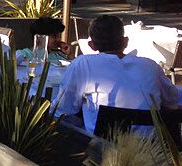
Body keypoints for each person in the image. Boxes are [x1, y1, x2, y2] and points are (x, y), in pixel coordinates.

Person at [53, 15, 182, 134]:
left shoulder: (83, 64)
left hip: (102, 147)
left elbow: (62, 109)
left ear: (91, 45)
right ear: (125, 42)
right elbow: (172, 100)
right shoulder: (150, 66)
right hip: (151, 147)